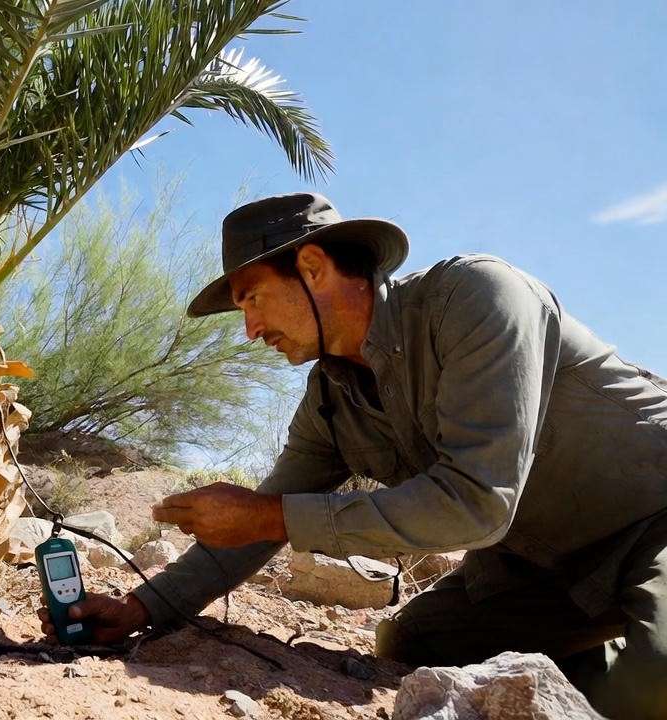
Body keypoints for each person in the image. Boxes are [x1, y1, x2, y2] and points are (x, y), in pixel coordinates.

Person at [37, 193, 667, 718]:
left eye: (252, 298)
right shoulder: (330, 402)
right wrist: (141, 609)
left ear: (313, 268)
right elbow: (257, 522)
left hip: (653, 522)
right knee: (415, 640)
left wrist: (273, 517)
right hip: (545, 570)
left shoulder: (476, 298)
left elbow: (478, 504)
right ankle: (584, 665)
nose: (249, 329)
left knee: (652, 684)